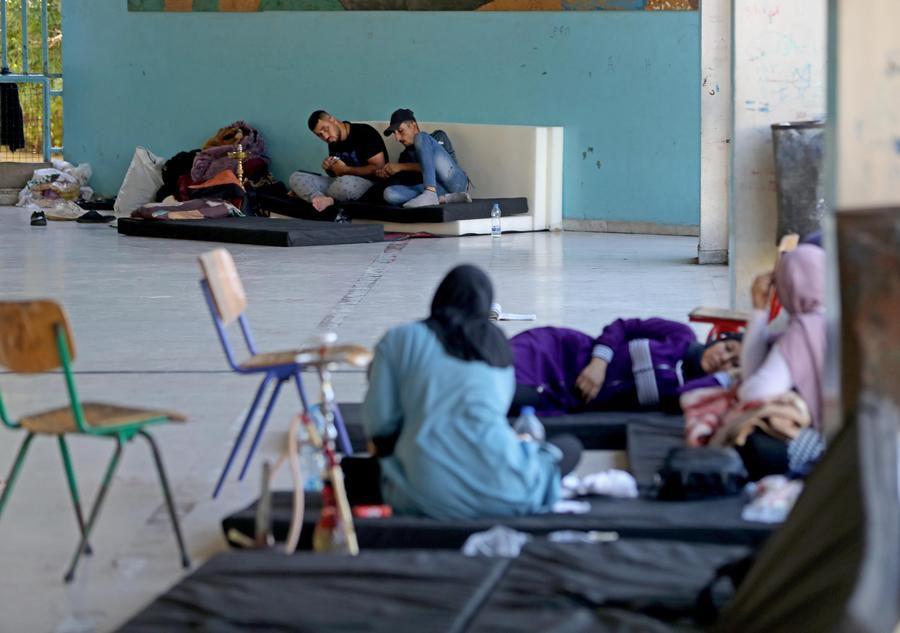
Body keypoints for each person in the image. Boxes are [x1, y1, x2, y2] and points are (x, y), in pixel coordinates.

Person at [362, 265, 580, 520]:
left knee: (358, 474)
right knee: (569, 447)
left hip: (421, 495)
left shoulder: (401, 338)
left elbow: (380, 423)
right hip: (511, 493)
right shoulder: (499, 347)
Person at [683, 244, 827, 479]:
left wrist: (744, 387)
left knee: (752, 437)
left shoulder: (806, 328)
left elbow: (755, 391)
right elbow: (754, 370)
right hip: (853, 436)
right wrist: (759, 311)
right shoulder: (824, 317)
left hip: (832, 443)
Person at [511, 318, 742, 416]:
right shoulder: (682, 336)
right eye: (728, 348)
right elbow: (624, 326)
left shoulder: (694, 391)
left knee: (504, 396)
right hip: (558, 351)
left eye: (732, 364)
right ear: (720, 340)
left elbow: (681, 400)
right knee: (493, 367)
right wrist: (598, 363)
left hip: (563, 397)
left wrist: (729, 379)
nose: (723, 358)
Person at [289, 111, 388, 212]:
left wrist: (346, 170)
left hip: (368, 184)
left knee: (343, 184)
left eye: (325, 129)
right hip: (338, 183)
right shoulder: (332, 141)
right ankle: (321, 201)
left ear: (333, 120)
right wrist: (328, 168)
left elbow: (379, 168)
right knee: (296, 177)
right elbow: (335, 175)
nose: (325, 137)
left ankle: (317, 199)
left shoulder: (364, 132)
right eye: (320, 135)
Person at [378, 108, 472, 208]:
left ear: (413, 125)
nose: (397, 138)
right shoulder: (405, 155)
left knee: (421, 137)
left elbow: (435, 167)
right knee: (389, 193)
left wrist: (402, 167)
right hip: (438, 190)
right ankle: (444, 198)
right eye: (394, 133)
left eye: (400, 131)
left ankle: (430, 193)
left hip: (455, 183)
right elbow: (412, 183)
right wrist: (388, 173)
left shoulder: (436, 137)